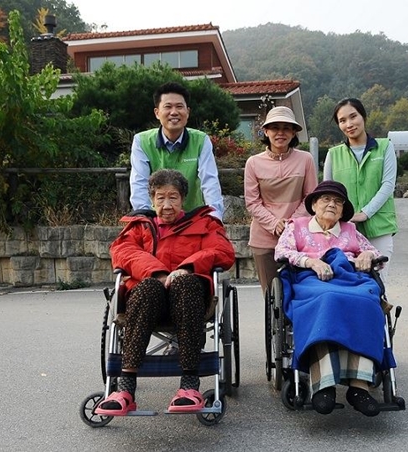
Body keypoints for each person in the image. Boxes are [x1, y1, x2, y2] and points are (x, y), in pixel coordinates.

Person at [95, 169, 235, 415]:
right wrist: (157, 272)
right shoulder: (139, 226)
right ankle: (125, 389)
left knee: (186, 283)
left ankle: (190, 386)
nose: (167, 205)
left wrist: (186, 267)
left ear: (183, 199)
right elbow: (123, 252)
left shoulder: (205, 224)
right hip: (149, 300)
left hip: (190, 299)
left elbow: (222, 252)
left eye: (173, 198)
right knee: (148, 287)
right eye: (161, 198)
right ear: (152, 200)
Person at [274, 180, 388, 417]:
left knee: (367, 303)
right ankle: (324, 385)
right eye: (326, 199)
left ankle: (359, 387)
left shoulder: (350, 230)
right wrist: (311, 261)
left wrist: (366, 253)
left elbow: (378, 256)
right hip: (311, 280)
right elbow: (282, 252)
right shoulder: (296, 226)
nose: (332, 204)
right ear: (314, 204)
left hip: (349, 279)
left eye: (338, 201)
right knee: (328, 300)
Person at [244, 106, 318, 293]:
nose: (280, 133)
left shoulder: (306, 159)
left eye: (286, 128)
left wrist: (290, 224)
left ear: (294, 133)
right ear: (266, 131)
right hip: (264, 239)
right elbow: (252, 202)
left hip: (299, 237)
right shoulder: (253, 163)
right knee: (271, 297)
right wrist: (274, 223)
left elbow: (311, 197)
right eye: (275, 127)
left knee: (300, 292)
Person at [324, 98, 398, 281]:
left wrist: (365, 213)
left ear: (363, 116)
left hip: (379, 228)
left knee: (378, 284)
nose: (349, 124)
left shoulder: (385, 147)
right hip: (343, 230)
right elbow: (328, 193)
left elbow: (388, 185)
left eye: (353, 116)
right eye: (342, 120)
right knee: (347, 282)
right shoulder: (334, 154)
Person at [129, 81, 224, 219]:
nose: (174, 112)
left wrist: (215, 217)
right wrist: (145, 219)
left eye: (179, 106)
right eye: (168, 107)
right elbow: (139, 183)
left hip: (192, 217)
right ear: (157, 112)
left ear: (188, 112)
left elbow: (210, 181)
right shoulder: (142, 141)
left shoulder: (201, 140)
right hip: (156, 219)